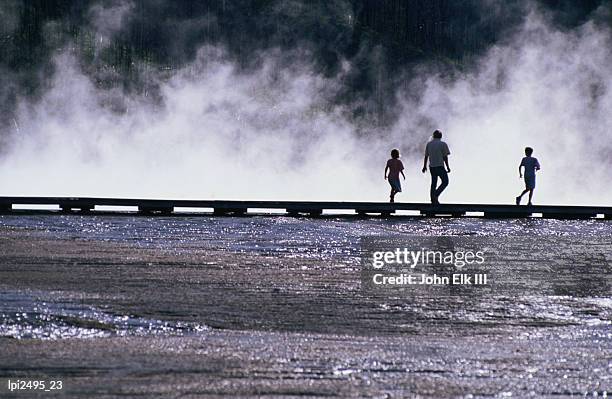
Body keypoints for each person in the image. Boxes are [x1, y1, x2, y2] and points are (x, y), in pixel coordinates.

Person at [422, 130, 451, 204]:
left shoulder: (429, 144)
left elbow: (426, 156)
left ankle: (433, 199)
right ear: (441, 136)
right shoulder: (443, 144)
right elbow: (445, 157)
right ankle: (436, 195)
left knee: (433, 183)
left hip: (432, 166)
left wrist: (424, 166)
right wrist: (447, 166)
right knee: (445, 181)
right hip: (440, 166)